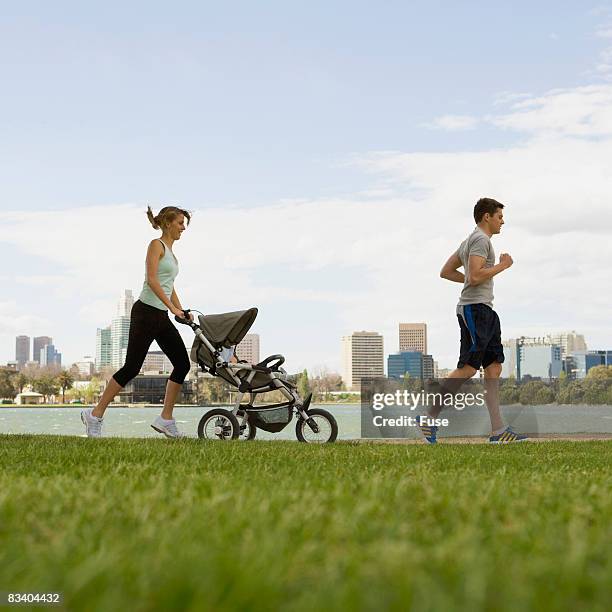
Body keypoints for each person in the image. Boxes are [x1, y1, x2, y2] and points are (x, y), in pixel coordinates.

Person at [420, 197, 527, 444]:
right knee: (468, 367)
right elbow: (476, 275)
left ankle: (498, 430)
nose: (503, 221)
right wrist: (503, 265)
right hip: (474, 309)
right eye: (499, 216)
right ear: (487, 216)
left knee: (493, 368)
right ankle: (429, 418)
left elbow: (447, 271)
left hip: (484, 309)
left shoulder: (470, 241)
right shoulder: (479, 240)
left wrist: (471, 277)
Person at [81, 206, 193, 438]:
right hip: (145, 312)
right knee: (132, 367)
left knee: (182, 364)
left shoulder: (172, 254)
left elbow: (168, 285)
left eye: (185, 223)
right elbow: (152, 280)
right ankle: (95, 414)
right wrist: (172, 307)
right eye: (180, 222)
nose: (183, 227)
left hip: (160, 315)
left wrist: (180, 310)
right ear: (168, 223)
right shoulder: (156, 245)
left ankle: (165, 418)